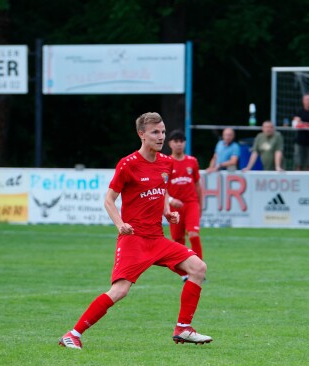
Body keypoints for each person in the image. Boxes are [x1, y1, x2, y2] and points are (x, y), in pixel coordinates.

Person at [58, 112, 211, 349]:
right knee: (119, 291)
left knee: (198, 267)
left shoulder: (166, 163)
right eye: (155, 132)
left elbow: (159, 193)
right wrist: (120, 224)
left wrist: (167, 213)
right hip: (134, 240)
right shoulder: (127, 164)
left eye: (162, 131)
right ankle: (73, 334)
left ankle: (183, 328)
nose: (161, 136)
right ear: (142, 135)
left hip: (157, 239)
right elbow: (109, 200)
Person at [166, 129, 204, 272]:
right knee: (177, 240)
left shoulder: (192, 161)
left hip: (191, 204)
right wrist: (170, 200)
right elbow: (162, 187)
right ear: (170, 143)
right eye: (176, 141)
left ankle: (199, 268)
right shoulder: (166, 163)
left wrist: (201, 205)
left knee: (194, 234)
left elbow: (198, 185)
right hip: (175, 207)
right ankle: (184, 272)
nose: (179, 144)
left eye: (181, 141)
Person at [291, 94, 309, 171]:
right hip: (299, 140)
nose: (308, 102)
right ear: (303, 101)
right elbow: (296, 122)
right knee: (298, 164)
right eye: (306, 100)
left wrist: (304, 124)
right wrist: (307, 124)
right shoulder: (299, 111)